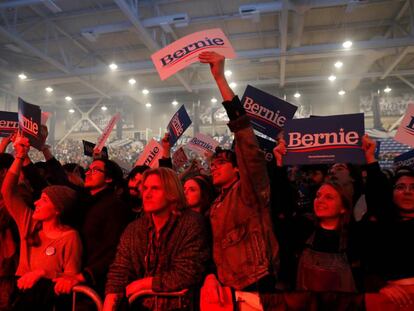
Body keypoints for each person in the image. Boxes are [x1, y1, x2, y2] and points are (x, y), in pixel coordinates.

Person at [198, 52, 279, 303]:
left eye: (222, 163)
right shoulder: (216, 205)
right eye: (213, 164)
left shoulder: (249, 192)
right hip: (228, 288)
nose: (214, 167)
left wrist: (220, 79)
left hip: (255, 284)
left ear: (237, 169)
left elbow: (248, 147)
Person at [104, 167, 210, 311]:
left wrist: (143, 284)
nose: (147, 194)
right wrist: (109, 304)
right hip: (138, 306)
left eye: (155, 188)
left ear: (171, 193)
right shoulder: (135, 229)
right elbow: (120, 270)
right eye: (145, 188)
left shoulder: (191, 223)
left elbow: (187, 272)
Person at [1, 135, 82, 310]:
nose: (36, 202)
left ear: (58, 209)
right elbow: (7, 191)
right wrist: (20, 156)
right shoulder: (29, 223)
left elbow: (71, 276)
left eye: (44, 200)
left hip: (49, 301)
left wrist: (43, 273)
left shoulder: (70, 237)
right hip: (21, 297)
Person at [360, 135, 414, 308]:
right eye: (400, 187)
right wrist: (370, 157)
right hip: (386, 301)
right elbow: (377, 189)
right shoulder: (381, 228)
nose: (407, 192)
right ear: (391, 194)